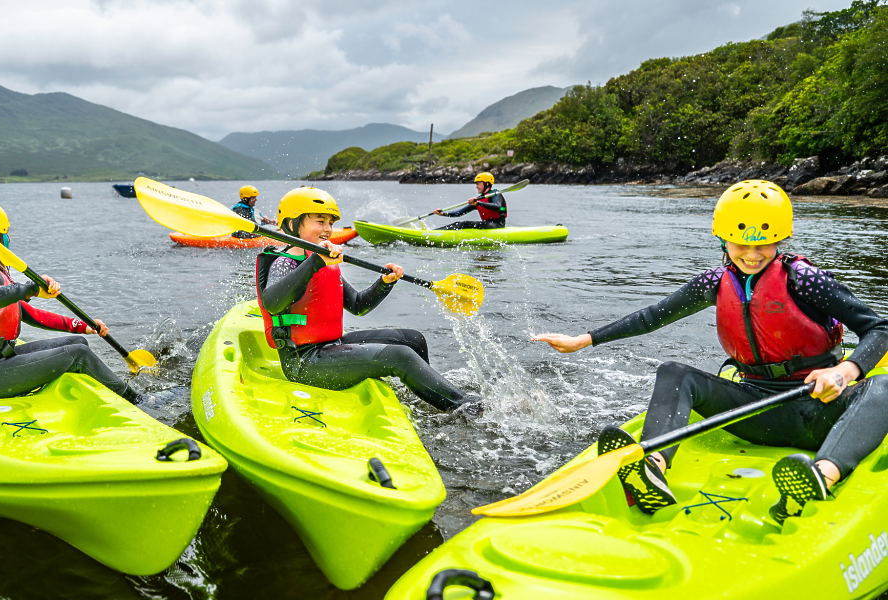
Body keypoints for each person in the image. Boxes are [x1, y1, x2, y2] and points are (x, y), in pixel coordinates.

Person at [533, 180, 888, 524]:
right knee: (674, 371)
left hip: (820, 410)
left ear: (781, 238)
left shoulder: (804, 278)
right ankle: (652, 467)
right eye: (740, 244)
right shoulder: (715, 282)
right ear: (723, 238)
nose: (752, 254)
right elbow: (652, 316)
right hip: (755, 412)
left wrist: (845, 372)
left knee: (883, 385)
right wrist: (584, 339)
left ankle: (820, 478)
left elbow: (879, 329)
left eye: (763, 244)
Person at [256, 187, 478, 411]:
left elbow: (358, 306)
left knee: (413, 340)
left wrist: (384, 283)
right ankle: (466, 406)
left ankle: (429, 397)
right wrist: (315, 262)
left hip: (332, 346)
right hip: (303, 361)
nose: (328, 229)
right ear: (293, 223)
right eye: (319, 221)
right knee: (399, 356)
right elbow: (272, 304)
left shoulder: (322, 262)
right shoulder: (285, 262)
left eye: (330, 223)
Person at [0, 198, 142, 404]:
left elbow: (28, 314)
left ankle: (98, 398)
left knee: (78, 342)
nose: (8, 237)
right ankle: (138, 401)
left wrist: (82, 326)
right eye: (4, 233)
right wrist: (31, 289)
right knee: (78, 354)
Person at [432, 172, 506, 230]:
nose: (476, 186)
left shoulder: (495, 194)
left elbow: (497, 206)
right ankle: (433, 232)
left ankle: (433, 233)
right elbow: (459, 213)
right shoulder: (478, 199)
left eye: (478, 184)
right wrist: (443, 213)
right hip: (487, 224)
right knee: (459, 223)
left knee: (464, 224)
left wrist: (478, 203)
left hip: (497, 225)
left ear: (486, 184)